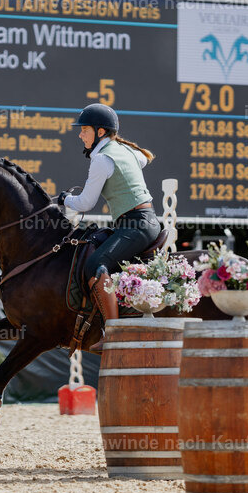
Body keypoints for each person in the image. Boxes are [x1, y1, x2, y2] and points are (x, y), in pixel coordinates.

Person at [55, 103, 161, 351]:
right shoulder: (124, 150)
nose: (80, 135)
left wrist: (64, 199)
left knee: (95, 265)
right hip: (142, 221)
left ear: (100, 132)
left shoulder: (102, 159)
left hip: (136, 224)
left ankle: (114, 333)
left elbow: (85, 203)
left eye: (84, 130)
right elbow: (142, 160)